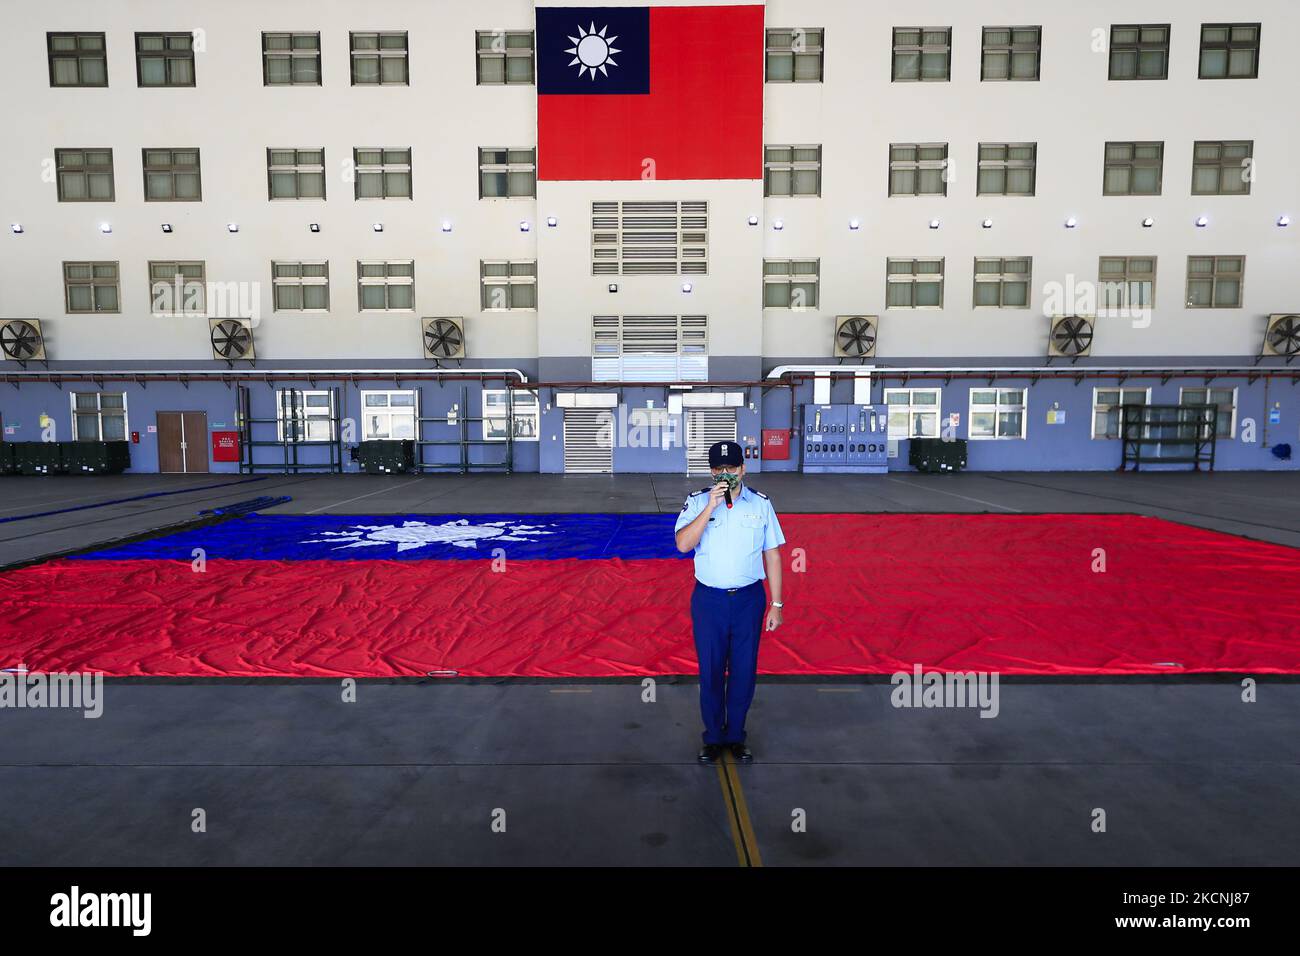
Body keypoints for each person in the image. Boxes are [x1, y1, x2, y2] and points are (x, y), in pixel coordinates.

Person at [673, 440, 785, 764]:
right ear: (711, 472)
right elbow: (682, 544)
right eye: (719, 469)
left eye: (732, 468)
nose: (726, 474)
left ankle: (735, 736)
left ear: (743, 469)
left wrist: (776, 604)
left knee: (743, 672)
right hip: (709, 601)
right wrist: (710, 507)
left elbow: (773, 554)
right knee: (710, 670)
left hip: (749, 600)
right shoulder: (697, 503)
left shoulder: (761, 504)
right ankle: (713, 737)